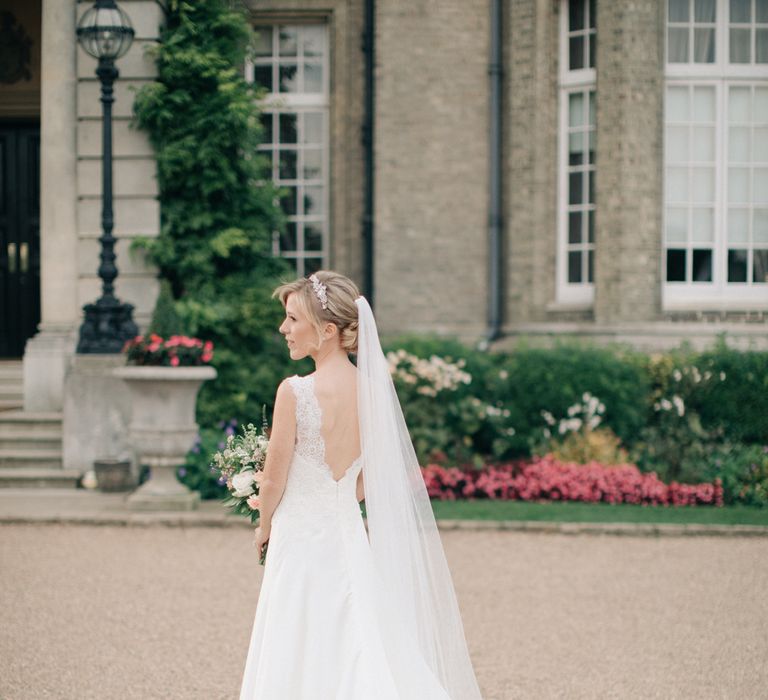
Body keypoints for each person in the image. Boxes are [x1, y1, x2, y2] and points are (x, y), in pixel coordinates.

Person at [239, 271, 483, 700]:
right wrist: (335, 498)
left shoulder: (294, 391)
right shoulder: (371, 391)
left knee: (298, 631)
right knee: (356, 630)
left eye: (293, 319)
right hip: (346, 531)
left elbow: (275, 478)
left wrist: (264, 526)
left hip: (298, 536)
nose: (283, 329)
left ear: (327, 330)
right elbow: (372, 478)